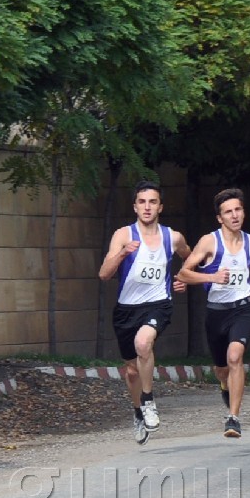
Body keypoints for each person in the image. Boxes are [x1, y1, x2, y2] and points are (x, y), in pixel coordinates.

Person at [98, 181, 191, 444]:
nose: (147, 207)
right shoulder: (123, 235)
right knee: (131, 371)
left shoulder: (172, 237)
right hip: (126, 310)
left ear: (160, 207)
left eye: (152, 202)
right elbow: (104, 274)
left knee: (143, 343)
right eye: (142, 202)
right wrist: (122, 254)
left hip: (158, 304)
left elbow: (190, 257)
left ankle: (149, 401)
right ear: (135, 207)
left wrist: (184, 277)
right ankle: (138, 411)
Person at [177, 188, 250, 436]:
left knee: (235, 357)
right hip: (216, 313)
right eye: (228, 212)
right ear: (220, 218)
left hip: (243, 309)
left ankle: (233, 418)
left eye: (238, 209)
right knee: (222, 368)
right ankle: (223, 384)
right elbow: (184, 273)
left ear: (243, 212)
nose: (234, 215)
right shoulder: (210, 242)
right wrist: (212, 277)